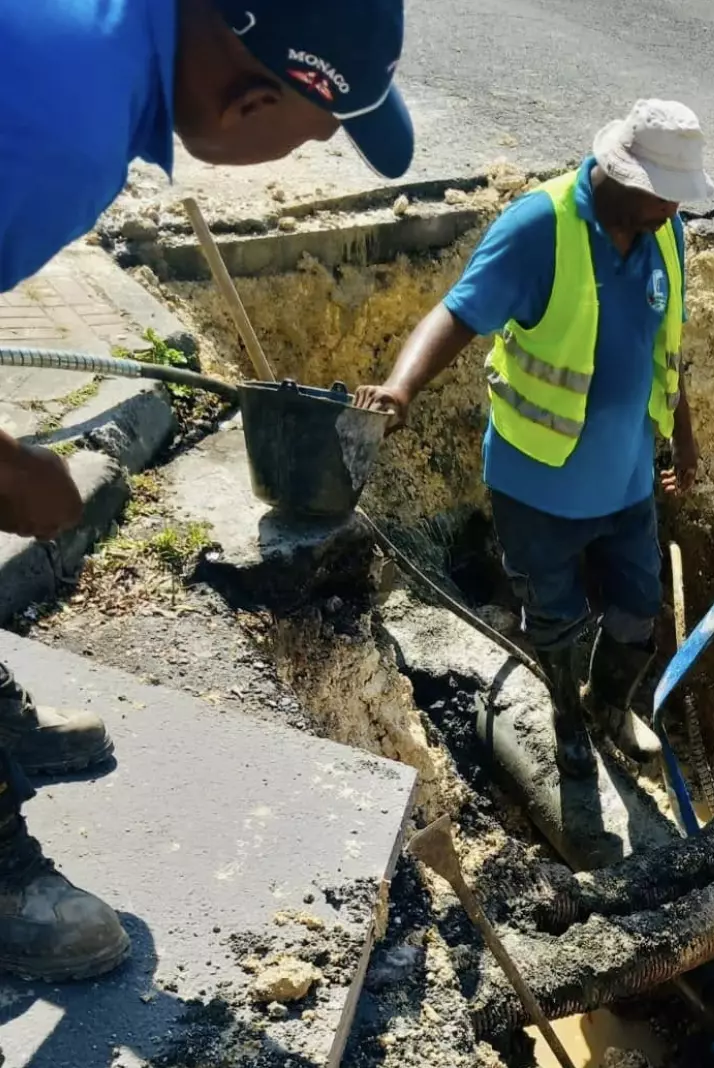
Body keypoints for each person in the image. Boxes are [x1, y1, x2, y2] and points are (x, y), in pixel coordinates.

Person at [0, 0, 415, 981]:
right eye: (317, 133)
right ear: (247, 102)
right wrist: (13, 474)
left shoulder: (99, 46)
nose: (304, 150)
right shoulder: (64, 127)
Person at [356, 100, 712, 778]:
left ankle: (607, 706)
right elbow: (458, 313)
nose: (676, 210)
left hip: (629, 479)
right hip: (538, 484)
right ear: (630, 180)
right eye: (669, 196)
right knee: (556, 620)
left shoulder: (666, 235)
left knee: (639, 612)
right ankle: (566, 718)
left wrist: (683, 441)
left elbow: (666, 348)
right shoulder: (540, 228)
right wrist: (402, 388)